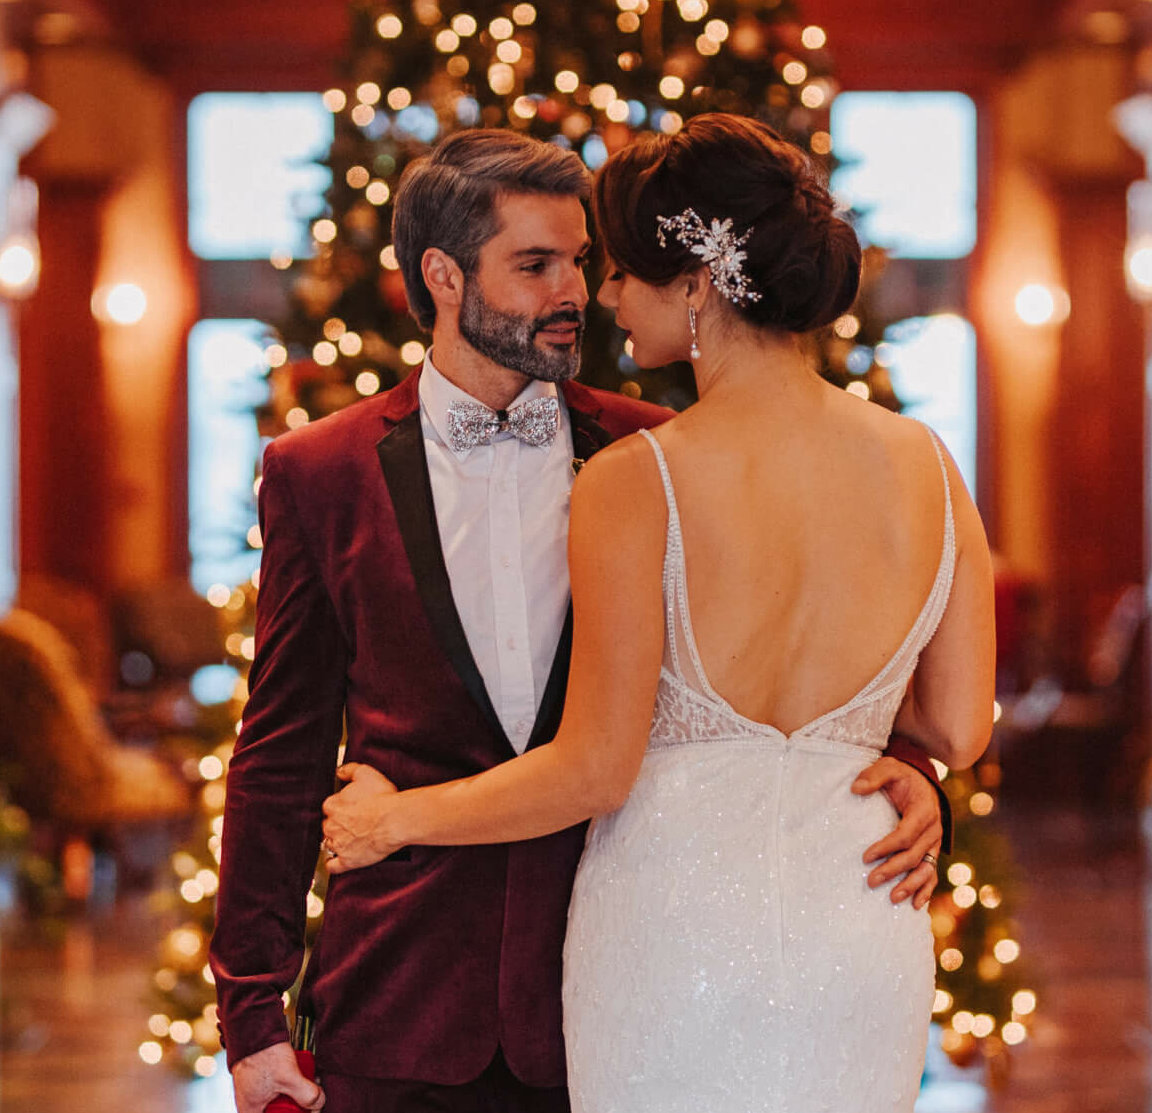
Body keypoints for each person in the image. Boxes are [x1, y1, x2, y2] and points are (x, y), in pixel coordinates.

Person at [211, 126, 950, 1113]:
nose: (573, 292)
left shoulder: (663, 457)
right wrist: (252, 1014)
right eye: (535, 264)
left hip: (620, 990)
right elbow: (281, 747)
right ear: (441, 275)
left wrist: (906, 764)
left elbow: (799, 633)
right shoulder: (319, 472)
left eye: (583, 262)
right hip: (397, 1003)